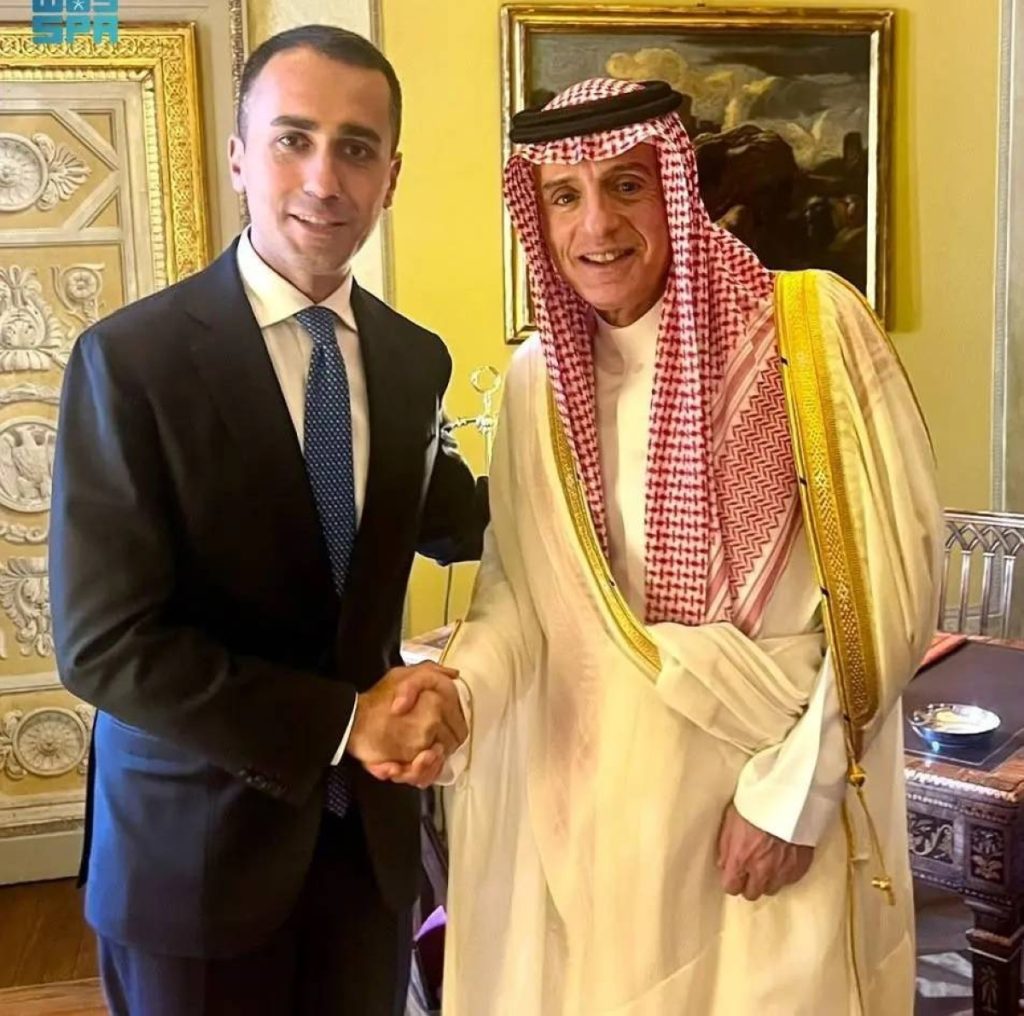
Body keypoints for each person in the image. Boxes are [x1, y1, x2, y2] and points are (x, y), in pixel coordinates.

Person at [378, 78, 942, 1014]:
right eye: (565, 195)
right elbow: (521, 597)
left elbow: (890, 587)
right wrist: (460, 695)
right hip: (599, 815)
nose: (596, 224)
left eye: (627, 185)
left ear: (676, 189)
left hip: (758, 799)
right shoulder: (536, 383)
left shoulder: (811, 330)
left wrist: (795, 800)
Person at [49, 25, 485, 1016]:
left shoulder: (414, 359)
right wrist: (345, 720)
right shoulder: (133, 361)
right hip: (193, 858)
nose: (324, 179)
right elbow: (107, 643)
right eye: (293, 139)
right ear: (240, 156)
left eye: (356, 147)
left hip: (367, 856)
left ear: (392, 176)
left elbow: (456, 520)